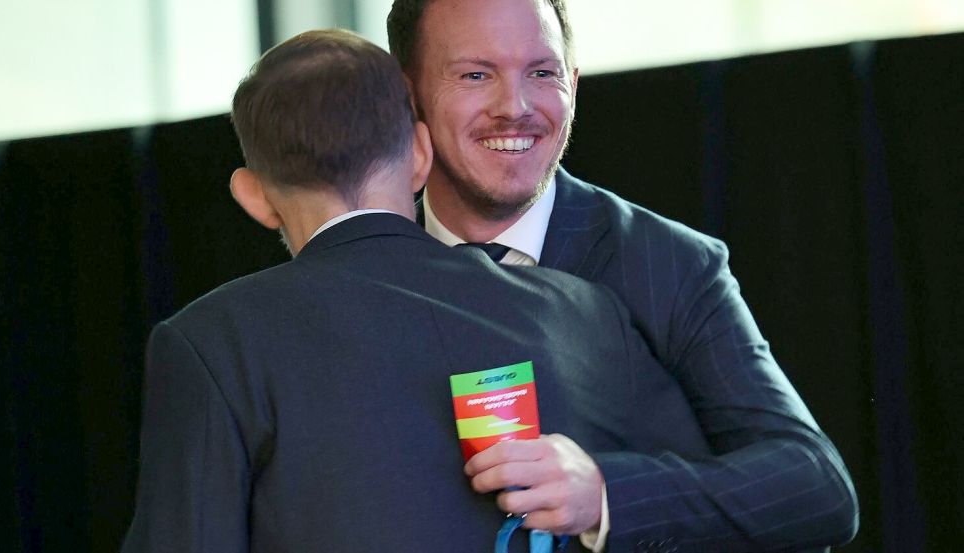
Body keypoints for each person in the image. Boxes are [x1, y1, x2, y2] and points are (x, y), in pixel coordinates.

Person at [121, 29, 718, 553]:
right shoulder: (579, 309)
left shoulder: (209, 342)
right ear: (420, 154)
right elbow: (701, 515)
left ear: (252, 195)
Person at [387, 0, 859, 551]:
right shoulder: (362, 274)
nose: (514, 106)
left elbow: (815, 485)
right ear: (407, 94)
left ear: (574, 83)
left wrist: (606, 495)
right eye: (475, 74)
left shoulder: (671, 263)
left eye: (542, 73)